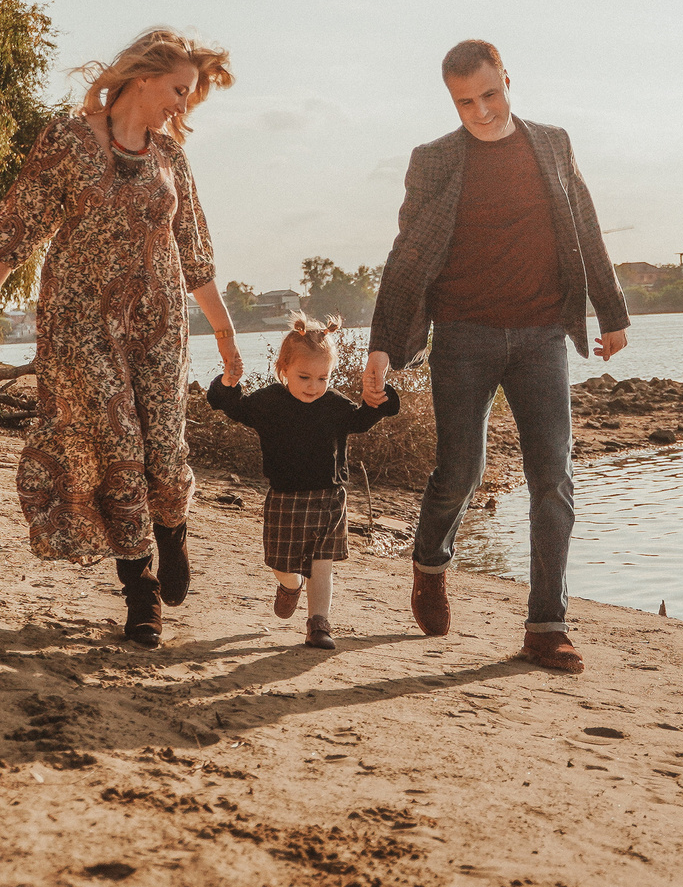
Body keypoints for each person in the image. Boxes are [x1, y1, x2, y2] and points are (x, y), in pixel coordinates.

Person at [0, 28, 244, 649]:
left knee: (164, 442)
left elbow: (195, 254)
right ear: (142, 77)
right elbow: (17, 227)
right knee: (118, 444)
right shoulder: (69, 142)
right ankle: (141, 591)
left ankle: (173, 530)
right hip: (81, 323)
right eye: (178, 91)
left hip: (158, 325)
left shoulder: (170, 158)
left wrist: (225, 332)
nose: (181, 106)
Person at [363, 38, 628, 674]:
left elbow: (585, 225)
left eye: (489, 94)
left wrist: (610, 311)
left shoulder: (553, 144)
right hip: (463, 335)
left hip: (541, 334)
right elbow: (407, 256)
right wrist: (380, 346)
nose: (480, 111)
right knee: (462, 469)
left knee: (553, 478)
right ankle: (430, 564)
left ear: (508, 79)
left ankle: (546, 626)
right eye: (464, 102)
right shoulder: (433, 162)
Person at [205, 314, 401, 650]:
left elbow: (361, 420)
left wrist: (379, 399)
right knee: (282, 564)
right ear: (283, 368)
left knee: (322, 565)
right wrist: (227, 381)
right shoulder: (267, 402)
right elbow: (231, 406)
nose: (314, 386)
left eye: (323, 377)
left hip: (330, 499)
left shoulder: (335, 405)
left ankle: (318, 624)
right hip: (285, 498)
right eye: (304, 377)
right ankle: (290, 585)